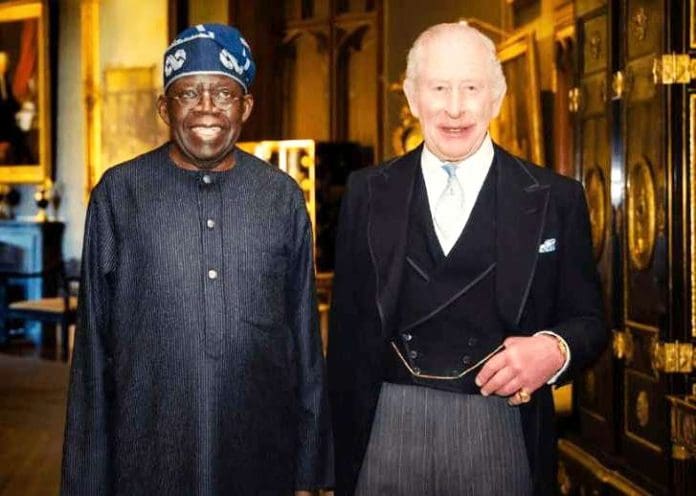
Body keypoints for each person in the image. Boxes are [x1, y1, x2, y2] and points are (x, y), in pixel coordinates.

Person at [327, 21, 607, 496]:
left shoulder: (556, 198)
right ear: (413, 97)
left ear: (496, 97)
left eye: (471, 88)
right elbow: (346, 339)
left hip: (502, 427)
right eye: (439, 88)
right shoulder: (366, 192)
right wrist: (330, 464)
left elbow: (591, 320)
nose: (455, 108)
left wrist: (554, 349)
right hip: (385, 428)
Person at [62, 24, 333, 496]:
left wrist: (311, 472)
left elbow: (305, 343)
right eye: (189, 93)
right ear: (165, 107)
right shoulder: (119, 195)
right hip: (147, 460)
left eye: (224, 94)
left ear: (245, 106)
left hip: (260, 456)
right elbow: (91, 356)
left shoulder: (282, 197)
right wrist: (86, 483)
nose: (207, 108)